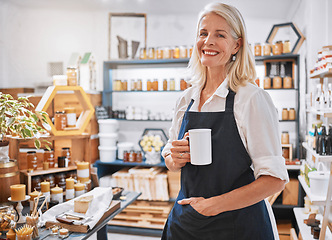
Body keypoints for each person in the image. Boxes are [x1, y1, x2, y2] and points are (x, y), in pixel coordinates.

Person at [161, 2, 289, 240]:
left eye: (220, 35)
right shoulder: (185, 100)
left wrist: (212, 206)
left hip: (237, 226)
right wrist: (172, 157)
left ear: (236, 45)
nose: (208, 41)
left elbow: (275, 180)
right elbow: (170, 155)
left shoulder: (251, 99)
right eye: (203, 33)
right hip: (187, 222)